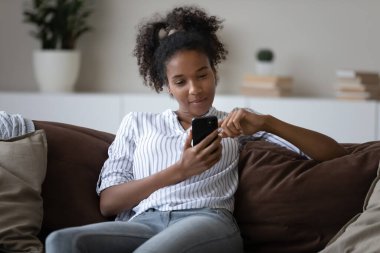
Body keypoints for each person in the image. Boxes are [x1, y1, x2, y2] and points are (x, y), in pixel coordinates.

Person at [45, 5, 347, 253]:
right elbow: (109, 203)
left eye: (202, 75)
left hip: (207, 221)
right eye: (180, 82)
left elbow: (333, 154)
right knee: (61, 241)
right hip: (144, 223)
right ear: (166, 87)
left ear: (214, 72)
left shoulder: (238, 122)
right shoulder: (137, 123)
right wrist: (180, 171)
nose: (195, 90)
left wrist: (268, 122)